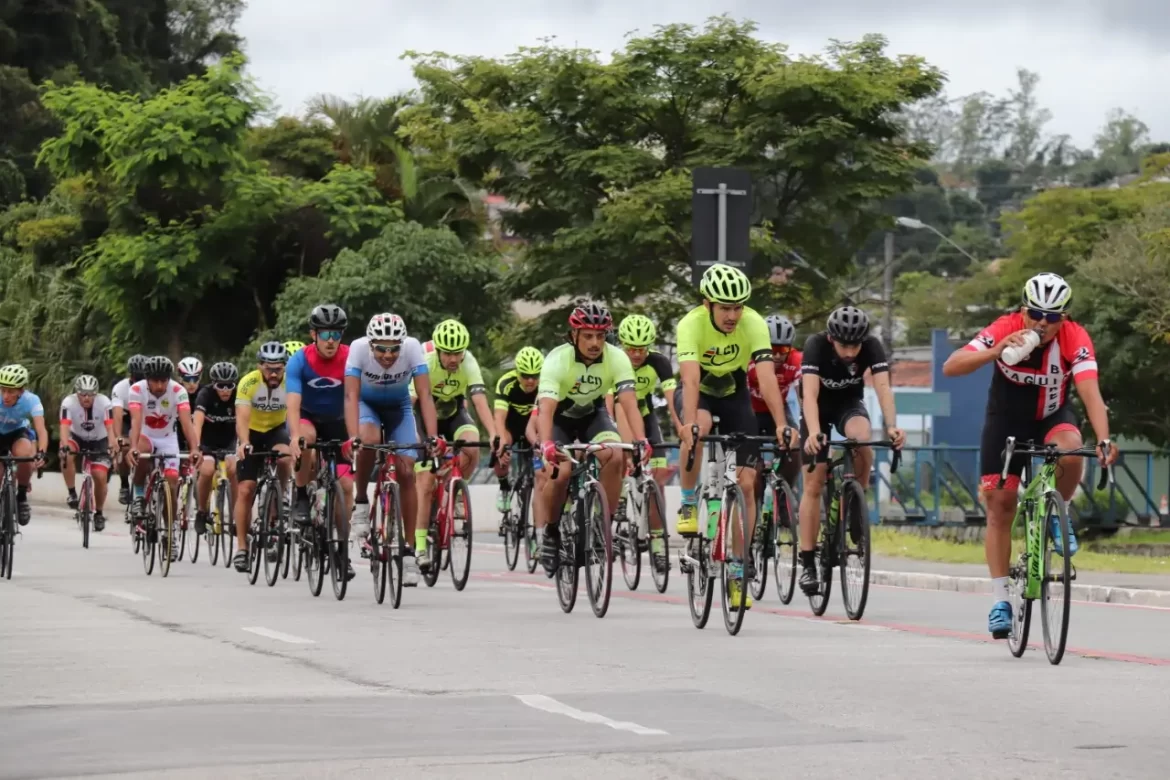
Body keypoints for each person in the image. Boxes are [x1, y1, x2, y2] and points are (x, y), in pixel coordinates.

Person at [941, 272, 1117, 639]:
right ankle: (1001, 599)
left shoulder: (1074, 338)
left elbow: (1090, 392)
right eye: (1036, 313)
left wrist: (1103, 439)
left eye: (1052, 317)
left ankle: (1059, 513)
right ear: (1024, 309)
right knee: (1000, 503)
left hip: (1052, 415)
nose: (1042, 323)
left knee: (1071, 449)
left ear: (1064, 318)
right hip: (1005, 420)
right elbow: (951, 366)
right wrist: (995, 349)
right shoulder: (1005, 326)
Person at [673, 263, 790, 612]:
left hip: (734, 391)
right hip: (702, 392)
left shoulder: (753, 323)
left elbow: (766, 379)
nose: (733, 315)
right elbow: (691, 381)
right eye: (725, 307)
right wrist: (690, 422)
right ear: (707, 303)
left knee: (749, 480)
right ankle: (690, 500)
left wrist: (782, 422)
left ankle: (739, 570)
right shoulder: (689, 325)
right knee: (700, 428)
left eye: (738, 306)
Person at [798, 305, 905, 596]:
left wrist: (892, 426)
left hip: (848, 404)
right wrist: (813, 431)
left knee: (862, 437)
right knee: (814, 482)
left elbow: (883, 389)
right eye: (844, 345)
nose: (850, 352)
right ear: (832, 339)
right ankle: (807, 560)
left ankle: (857, 499)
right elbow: (809, 393)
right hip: (816, 408)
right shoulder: (816, 345)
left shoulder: (871, 346)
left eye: (855, 346)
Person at [535, 303, 648, 577]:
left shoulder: (617, 358)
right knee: (559, 473)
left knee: (615, 454)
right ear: (574, 335)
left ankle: (601, 525)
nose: (595, 342)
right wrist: (547, 444)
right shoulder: (556, 360)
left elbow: (629, 403)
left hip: (593, 415)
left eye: (600, 335)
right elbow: (547, 408)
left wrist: (641, 439)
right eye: (588, 336)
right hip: (560, 419)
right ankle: (550, 532)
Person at [344, 312, 438, 587]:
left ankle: (408, 552)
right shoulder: (359, 349)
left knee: (408, 471)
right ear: (371, 345)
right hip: (367, 406)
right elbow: (351, 395)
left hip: (399, 408)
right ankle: (361, 502)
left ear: (402, 344)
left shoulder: (413, 348)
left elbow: (425, 395)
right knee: (368, 439)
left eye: (394, 349)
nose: (388, 355)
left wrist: (432, 437)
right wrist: (352, 437)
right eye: (382, 349)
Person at [412, 319, 498, 572]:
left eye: (457, 353)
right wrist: (420, 438)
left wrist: (493, 433)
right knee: (425, 484)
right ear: (438, 350)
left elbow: (479, 400)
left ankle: (456, 490)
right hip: (423, 415)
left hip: (453, 413)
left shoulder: (468, 363)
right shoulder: (425, 362)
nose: (453, 358)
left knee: (472, 446)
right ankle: (418, 547)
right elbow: (411, 402)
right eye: (448, 353)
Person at [606, 314, 679, 575]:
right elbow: (609, 400)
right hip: (616, 410)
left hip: (645, 414)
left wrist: (680, 426)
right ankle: (623, 497)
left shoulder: (658, 361)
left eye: (642, 348)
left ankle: (659, 542)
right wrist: (612, 433)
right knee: (627, 452)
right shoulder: (612, 358)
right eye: (631, 348)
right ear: (621, 344)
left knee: (656, 483)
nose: (636, 354)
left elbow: (672, 398)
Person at [287, 304, 352, 531]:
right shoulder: (299, 360)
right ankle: (302, 495)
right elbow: (293, 404)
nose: (331, 340)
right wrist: (294, 436)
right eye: (325, 334)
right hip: (308, 417)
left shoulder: (350, 357)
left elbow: (357, 398)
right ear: (313, 334)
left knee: (345, 486)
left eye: (336, 334)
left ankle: (341, 551)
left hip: (338, 420)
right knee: (305, 440)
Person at [127, 356, 199, 561]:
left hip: (168, 439)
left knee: (172, 483)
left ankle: (170, 532)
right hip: (145, 435)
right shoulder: (137, 390)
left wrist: (194, 448)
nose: (159, 385)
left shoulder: (178, 391)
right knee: (140, 450)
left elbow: (187, 424)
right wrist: (132, 447)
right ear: (147, 379)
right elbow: (136, 420)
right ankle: (139, 494)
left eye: (163, 381)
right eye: (155, 381)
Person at [232, 342, 291, 573]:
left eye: (278, 368)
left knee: (285, 457)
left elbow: (297, 415)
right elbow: (242, 418)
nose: (274, 373)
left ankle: (281, 494)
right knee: (246, 489)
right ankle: (242, 548)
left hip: (276, 430)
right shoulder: (249, 382)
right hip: (252, 433)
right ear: (260, 366)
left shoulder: (291, 383)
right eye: (269, 368)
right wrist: (245, 442)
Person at [747, 314, 804, 510]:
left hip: (778, 411)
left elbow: (803, 396)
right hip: (751, 410)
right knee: (753, 467)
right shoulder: (750, 359)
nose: (778, 355)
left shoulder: (797, 361)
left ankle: (783, 492)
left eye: (784, 349)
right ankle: (752, 506)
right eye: (773, 349)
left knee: (795, 444)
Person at [492, 346, 543, 532]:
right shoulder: (506, 382)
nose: (530, 381)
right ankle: (504, 487)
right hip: (511, 424)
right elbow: (499, 417)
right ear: (517, 372)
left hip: (534, 425)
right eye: (525, 375)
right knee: (499, 444)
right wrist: (503, 444)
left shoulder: (546, 384)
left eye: (535, 376)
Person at [59, 374, 116, 531]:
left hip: (100, 439)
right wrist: (64, 445)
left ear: (96, 394)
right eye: (82, 394)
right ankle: (72, 493)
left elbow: (110, 427)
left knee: (100, 475)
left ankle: (99, 513)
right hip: (76, 436)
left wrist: (112, 444)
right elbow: (64, 426)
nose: (86, 398)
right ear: (76, 393)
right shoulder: (68, 403)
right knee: (66, 453)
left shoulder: (105, 403)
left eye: (90, 394)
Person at [192, 362, 239, 535]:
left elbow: (245, 421)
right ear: (213, 384)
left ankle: (237, 517)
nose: (225, 390)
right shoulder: (205, 394)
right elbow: (197, 422)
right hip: (207, 441)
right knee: (206, 469)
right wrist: (196, 446)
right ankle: (201, 512)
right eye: (221, 386)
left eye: (229, 386)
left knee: (234, 470)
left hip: (229, 441)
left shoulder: (238, 395)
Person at [0, 364, 47, 526]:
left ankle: (21, 497)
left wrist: (42, 452)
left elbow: (41, 430)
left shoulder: (31, 400)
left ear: (21, 390)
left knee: (25, 455)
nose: (6, 396)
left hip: (17, 432)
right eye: (3, 390)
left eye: (11, 391)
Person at [110, 354, 147, 505]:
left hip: (144, 417)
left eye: (141, 377)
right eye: (135, 377)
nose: (137, 381)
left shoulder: (151, 386)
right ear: (130, 376)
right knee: (124, 447)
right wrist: (118, 437)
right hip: (126, 417)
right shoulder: (120, 387)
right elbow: (117, 416)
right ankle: (124, 484)